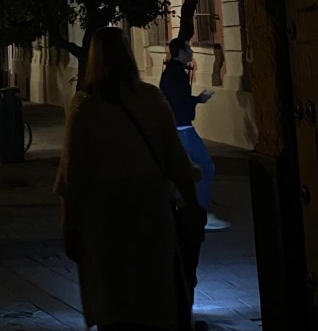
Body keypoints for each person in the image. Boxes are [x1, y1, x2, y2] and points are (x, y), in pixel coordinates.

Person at [55, 26, 201, 331]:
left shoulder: (85, 106)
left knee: (115, 304)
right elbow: (175, 159)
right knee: (154, 300)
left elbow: (73, 173)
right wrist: (191, 204)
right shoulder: (150, 98)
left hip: (106, 221)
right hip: (151, 213)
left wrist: (70, 225)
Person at [159, 37, 229, 231]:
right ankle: (201, 212)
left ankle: (182, 211)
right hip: (183, 128)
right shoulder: (177, 74)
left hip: (175, 127)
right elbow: (180, 101)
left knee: (181, 171)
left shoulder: (171, 72)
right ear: (181, 53)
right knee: (206, 166)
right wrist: (198, 99)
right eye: (188, 48)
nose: (191, 51)